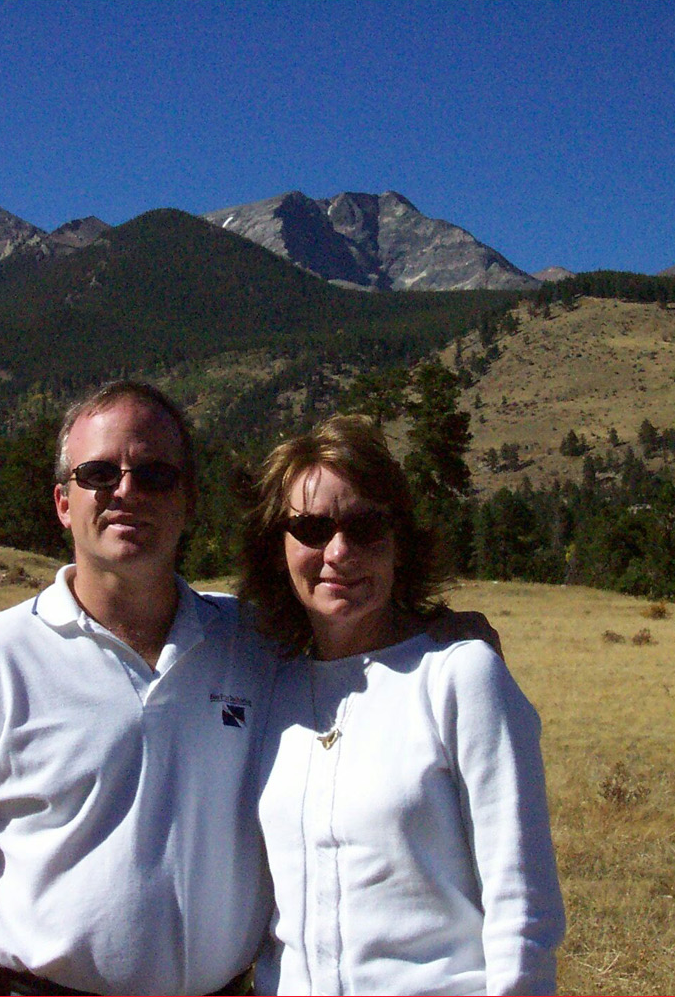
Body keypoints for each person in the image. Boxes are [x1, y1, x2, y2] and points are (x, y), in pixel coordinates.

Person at [0, 381, 276, 995]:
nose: (126, 491)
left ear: (189, 500)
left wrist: (450, 631)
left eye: (156, 475)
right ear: (64, 502)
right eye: (98, 472)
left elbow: (367, 641)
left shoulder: (256, 645)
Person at [237, 414, 564, 996]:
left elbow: (523, 904)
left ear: (400, 542)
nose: (339, 552)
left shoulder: (460, 677)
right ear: (276, 544)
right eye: (311, 529)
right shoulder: (264, 684)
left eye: (365, 527)